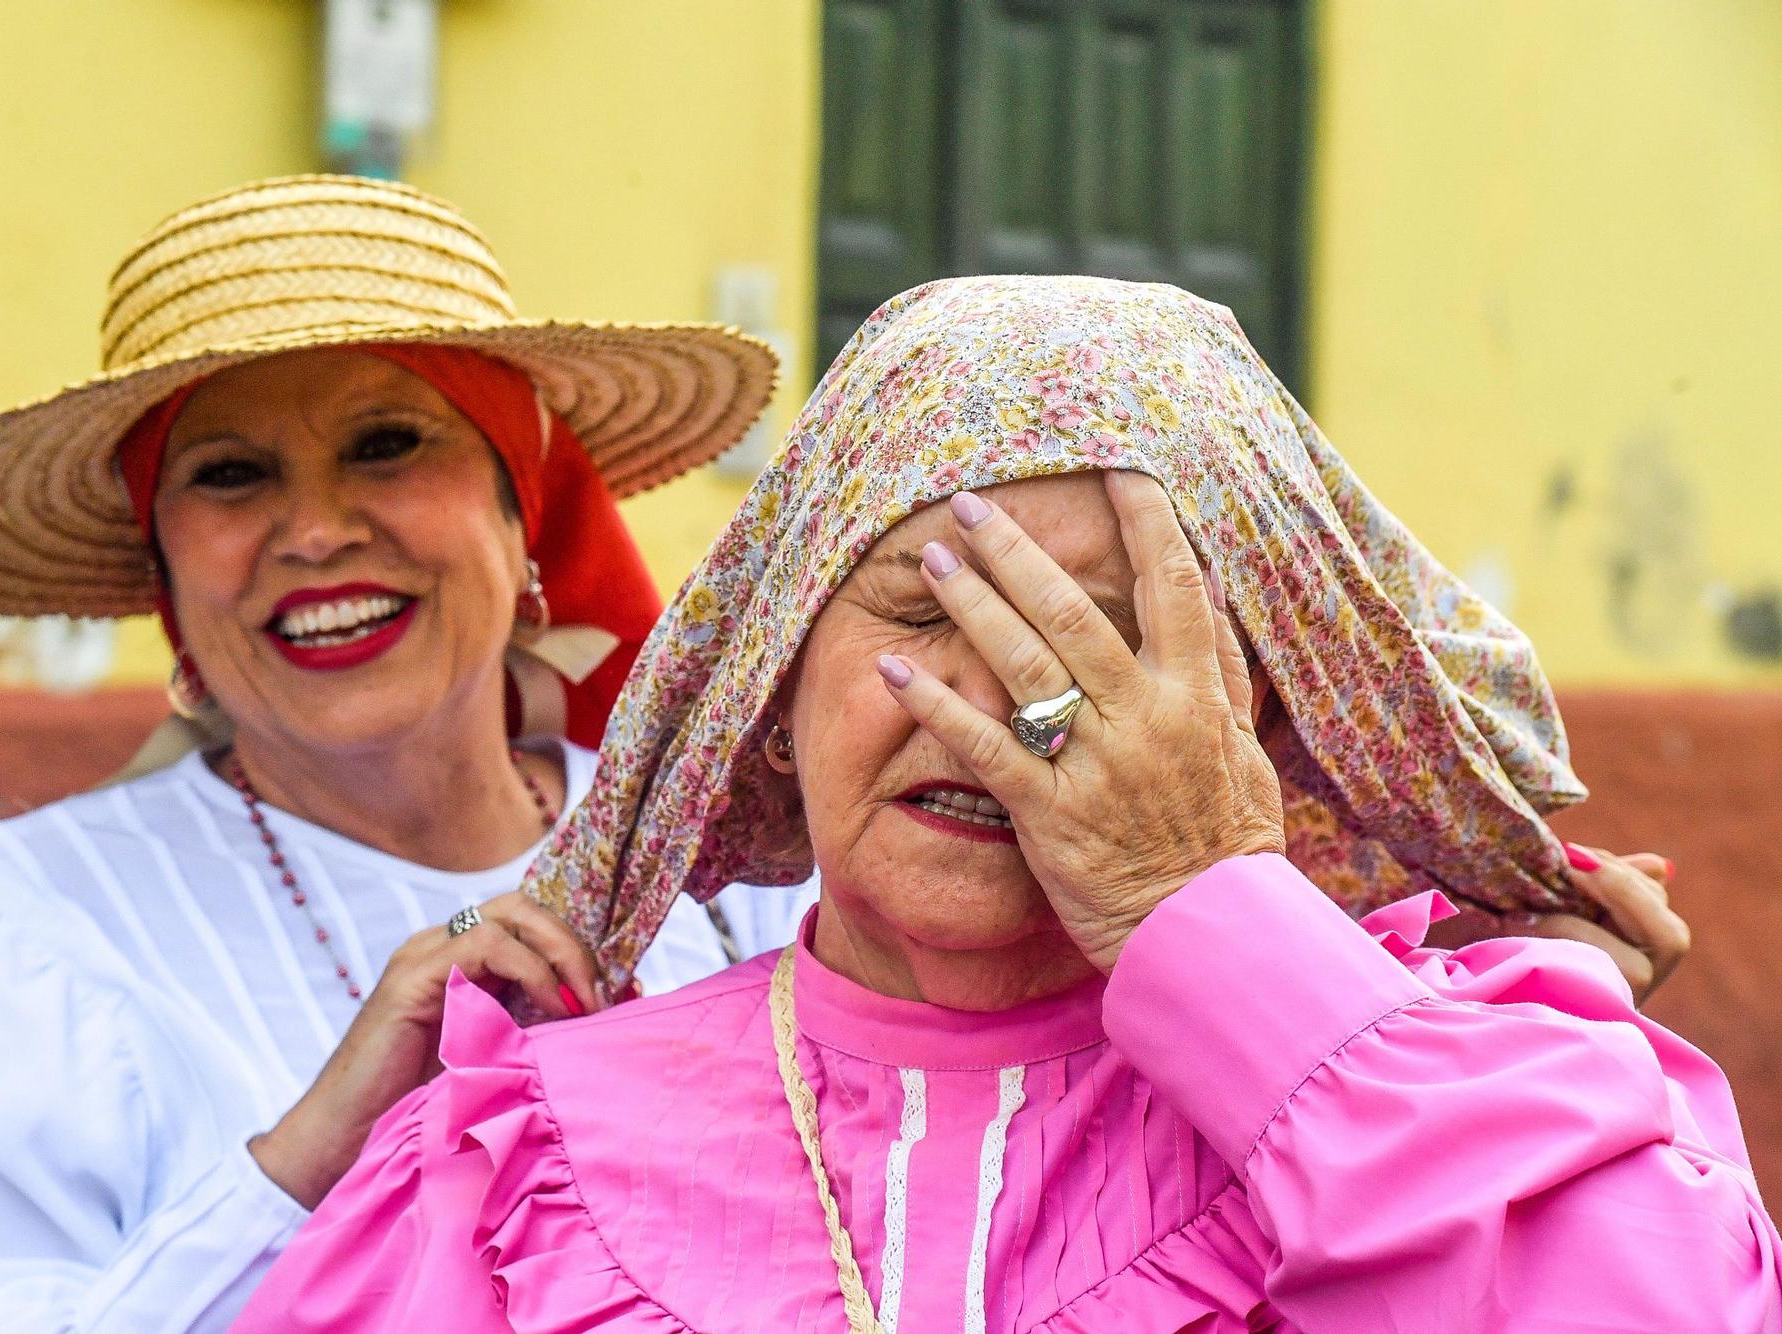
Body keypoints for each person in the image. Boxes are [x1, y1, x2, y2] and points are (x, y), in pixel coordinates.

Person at [240, 276, 1772, 1332]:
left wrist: (1215, 921)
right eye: (924, 608)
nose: (1006, 711)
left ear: (1264, 710)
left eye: (1107, 638)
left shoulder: (1483, 1088)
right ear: (775, 672)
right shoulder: (518, 1151)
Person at [0, 175, 813, 1333]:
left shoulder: (744, 891)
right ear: (164, 569)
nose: (316, 531)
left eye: (387, 445)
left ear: (521, 511)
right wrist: (305, 1159)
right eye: (229, 473)